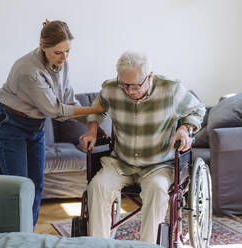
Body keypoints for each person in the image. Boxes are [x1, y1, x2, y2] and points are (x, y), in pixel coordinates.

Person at [79, 51, 206, 243]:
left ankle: (148, 246)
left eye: (135, 85)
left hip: (159, 166)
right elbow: (96, 110)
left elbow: (197, 109)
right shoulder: (111, 88)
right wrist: (92, 129)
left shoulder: (171, 89)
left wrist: (185, 128)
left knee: (157, 190)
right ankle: (99, 244)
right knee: (97, 187)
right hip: (121, 163)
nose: (129, 90)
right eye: (124, 84)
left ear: (149, 76)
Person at [0, 20, 104, 228]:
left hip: (35, 125)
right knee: (19, 188)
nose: (64, 57)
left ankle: (27, 234)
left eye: (68, 51)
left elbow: (69, 100)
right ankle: (14, 237)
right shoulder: (29, 71)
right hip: (9, 124)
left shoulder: (62, 62)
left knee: (36, 185)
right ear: (43, 47)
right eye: (59, 52)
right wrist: (94, 110)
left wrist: (92, 124)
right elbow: (55, 110)